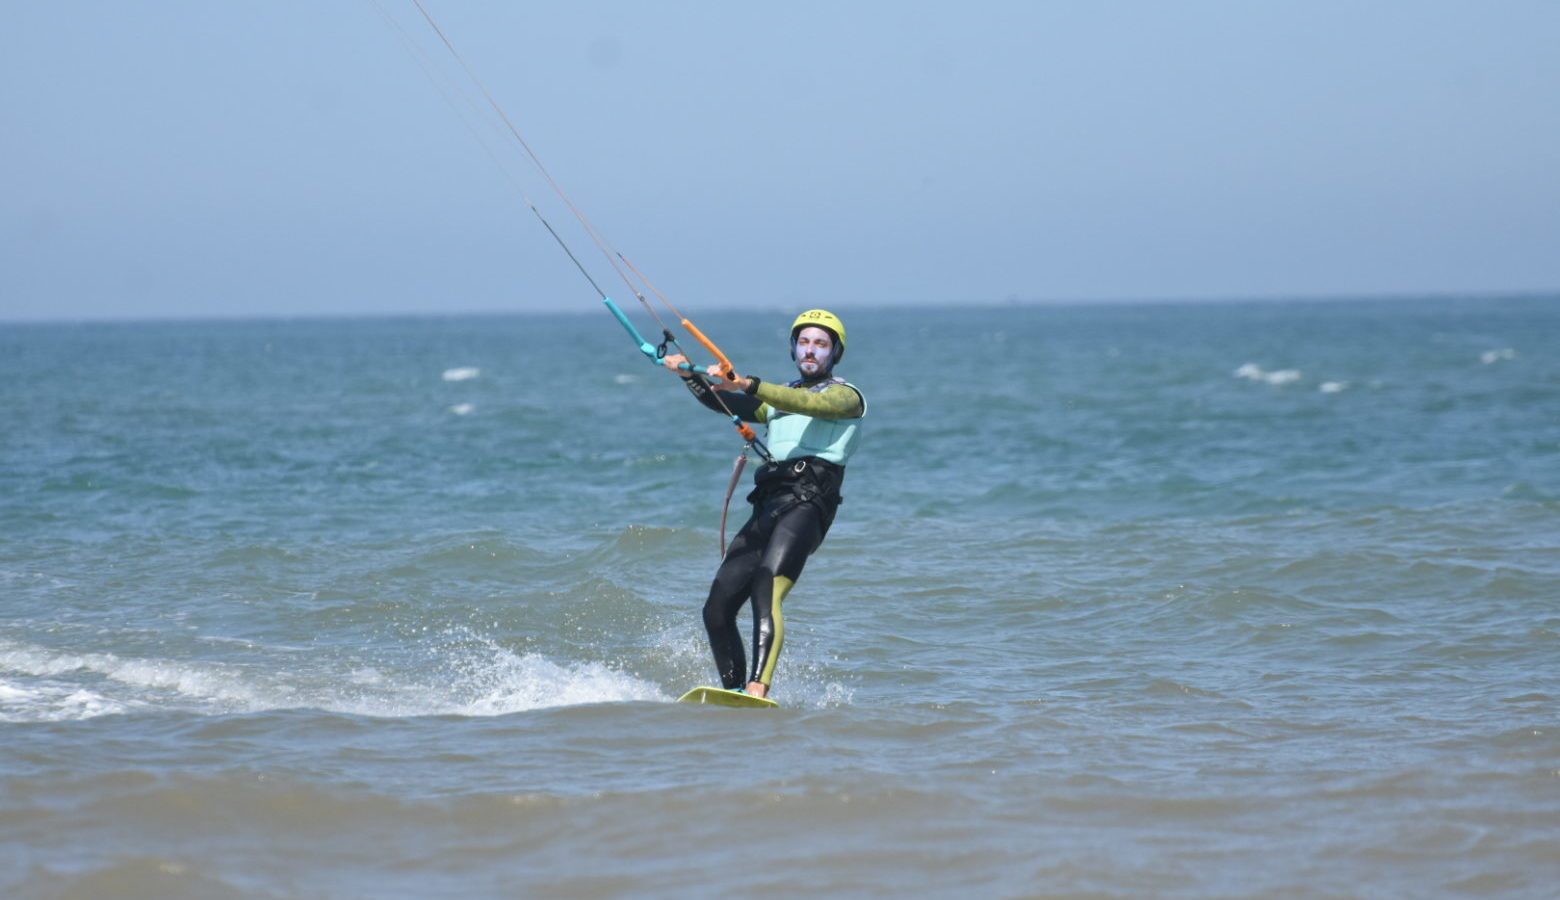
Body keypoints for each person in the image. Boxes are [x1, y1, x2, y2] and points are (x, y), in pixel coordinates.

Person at [661, 309, 865, 699]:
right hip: (769, 504)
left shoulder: (847, 396)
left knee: (766, 587)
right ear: (793, 349)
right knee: (717, 609)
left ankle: (758, 688)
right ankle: (735, 691)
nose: (811, 350)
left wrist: (750, 383)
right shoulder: (779, 401)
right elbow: (724, 403)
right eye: (803, 342)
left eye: (821, 344)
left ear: (835, 354)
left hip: (809, 504)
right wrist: (688, 375)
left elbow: (811, 405)